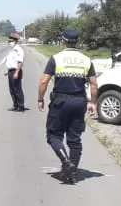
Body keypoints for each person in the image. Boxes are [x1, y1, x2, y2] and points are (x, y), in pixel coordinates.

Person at [37, 29, 97, 184]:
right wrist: (93, 103)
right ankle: (71, 173)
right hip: (79, 102)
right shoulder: (86, 60)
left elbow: (44, 81)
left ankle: (66, 161)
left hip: (61, 101)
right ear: (76, 41)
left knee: (53, 135)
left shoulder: (56, 58)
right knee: (75, 139)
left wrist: (40, 98)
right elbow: (93, 83)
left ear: (63, 40)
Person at [5, 32, 26, 111]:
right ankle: (15, 105)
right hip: (11, 71)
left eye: (10, 41)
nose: (9, 43)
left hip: (16, 71)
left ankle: (21, 106)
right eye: (9, 41)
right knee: (12, 90)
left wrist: (16, 72)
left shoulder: (18, 50)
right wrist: (8, 71)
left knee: (17, 89)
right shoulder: (12, 50)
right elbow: (11, 63)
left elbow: (19, 62)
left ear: (15, 41)